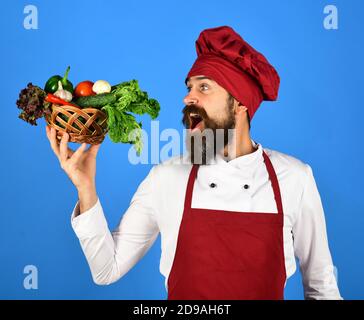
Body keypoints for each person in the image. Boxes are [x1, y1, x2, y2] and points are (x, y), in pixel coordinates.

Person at [46, 26, 342, 300]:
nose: (188, 97)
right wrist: (86, 188)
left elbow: (321, 288)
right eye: (189, 87)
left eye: (204, 88)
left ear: (239, 103)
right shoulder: (167, 177)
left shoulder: (294, 178)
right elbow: (106, 270)